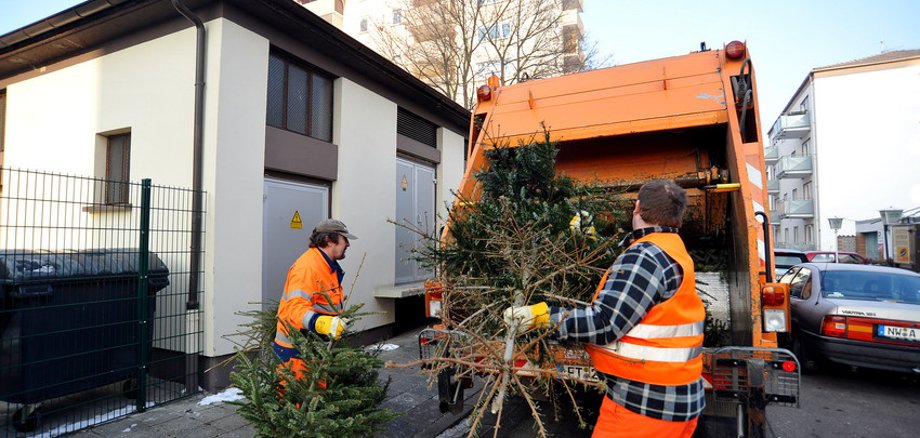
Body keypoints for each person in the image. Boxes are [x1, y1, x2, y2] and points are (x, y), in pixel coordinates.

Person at [504, 180, 705, 437]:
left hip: (644, 406)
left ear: (636, 208)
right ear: (678, 216)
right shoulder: (671, 248)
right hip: (673, 397)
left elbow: (605, 323)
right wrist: (588, 242)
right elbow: (631, 290)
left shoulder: (646, 256)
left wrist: (542, 317)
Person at [273, 218, 357, 383]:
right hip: (296, 351)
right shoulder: (308, 267)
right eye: (344, 239)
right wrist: (322, 323)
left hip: (313, 347)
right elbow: (295, 309)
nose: (348, 244)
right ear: (329, 240)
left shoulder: (326, 265)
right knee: (297, 403)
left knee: (314, 398)